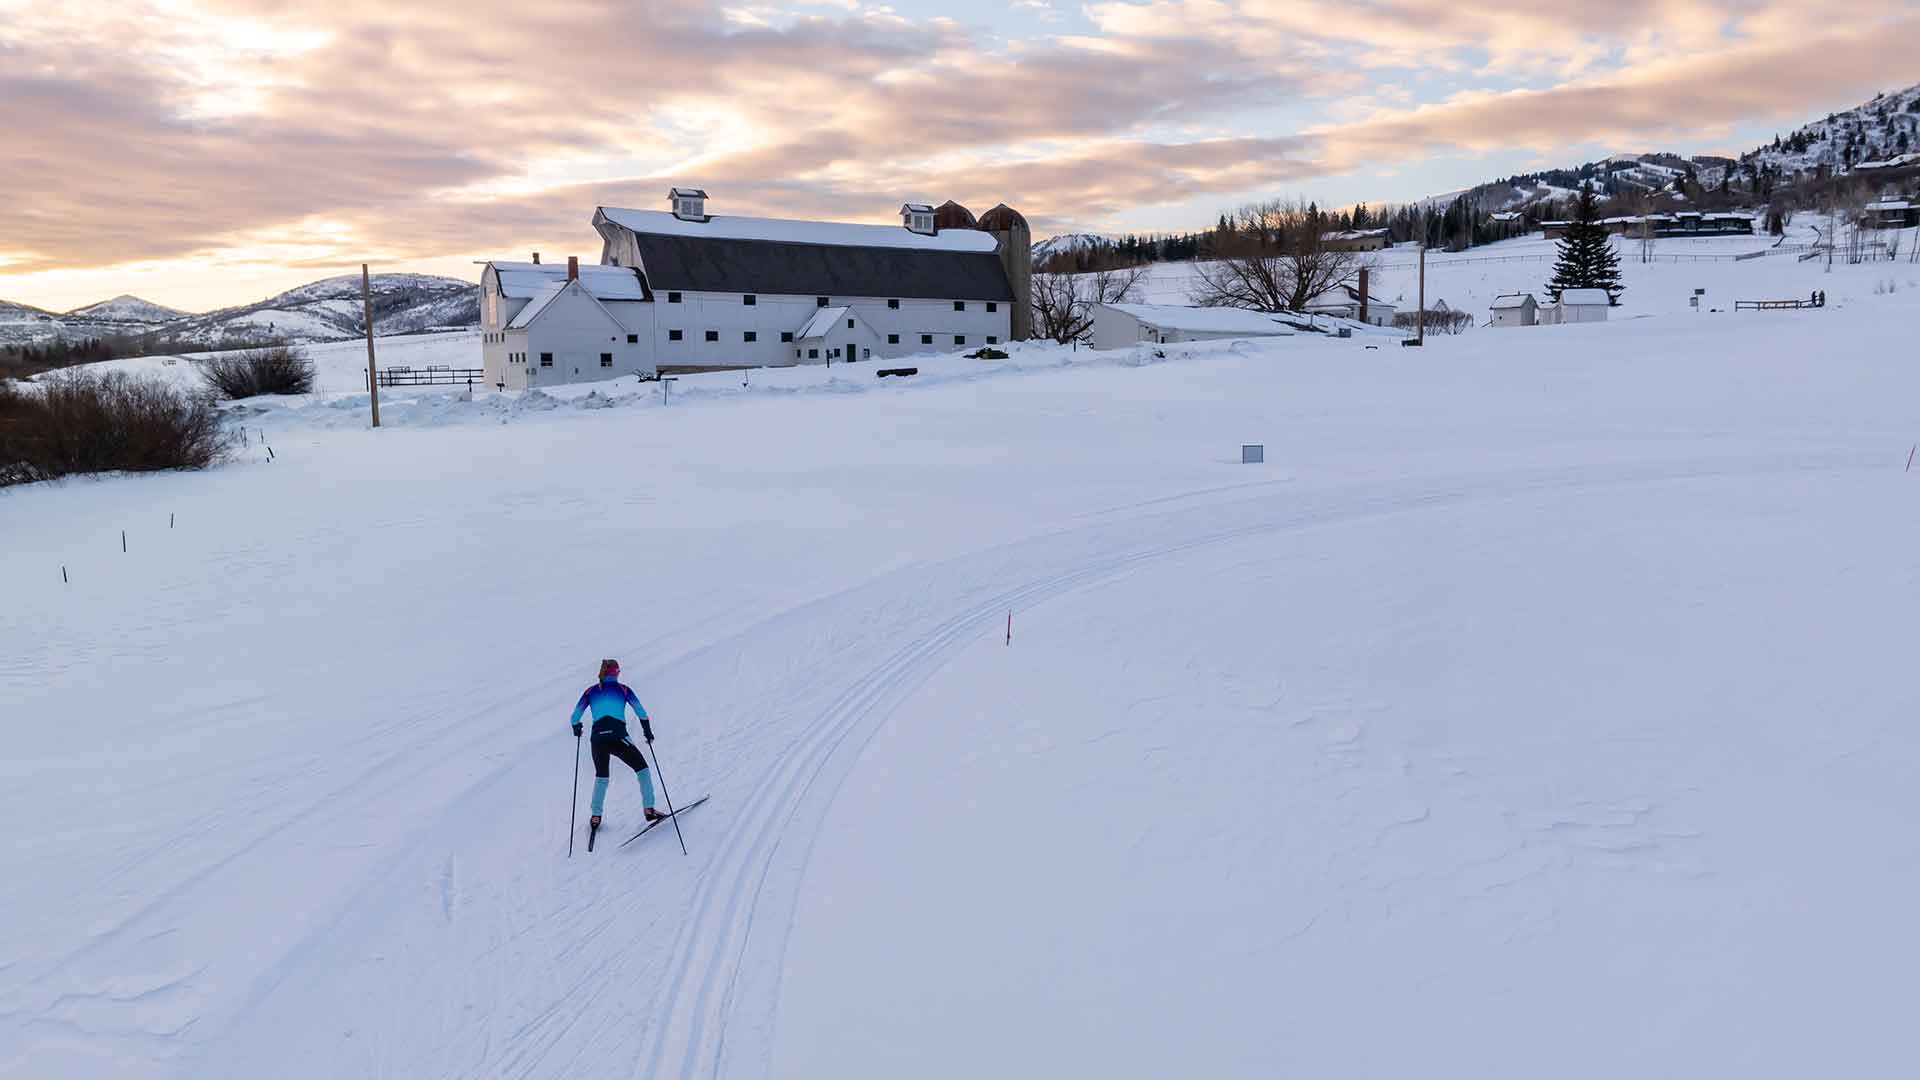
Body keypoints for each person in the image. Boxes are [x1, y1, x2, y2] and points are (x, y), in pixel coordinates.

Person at [570, 659, 662, 831]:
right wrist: (647, 732)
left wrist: (577, 728)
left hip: (597, 740)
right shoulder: (623, 689)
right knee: (642, 770)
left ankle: (596, 816)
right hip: (618, 736)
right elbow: (641, 712)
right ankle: (649, 809)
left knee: (602, 776)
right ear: (616, 672)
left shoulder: (590, 691)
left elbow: (574, 717)